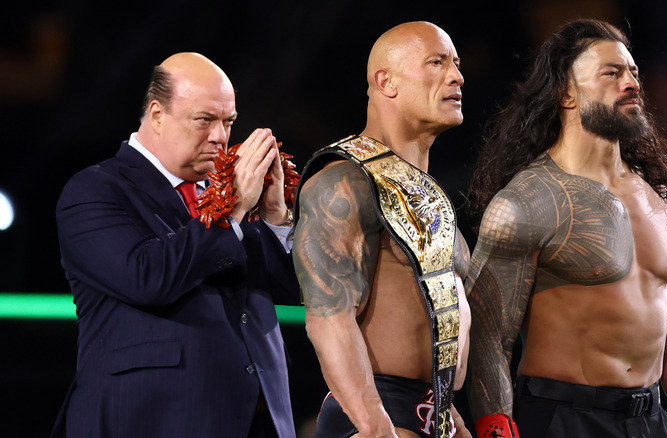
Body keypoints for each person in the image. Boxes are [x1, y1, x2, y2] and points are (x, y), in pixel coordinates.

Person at [466, 19, 667, 438]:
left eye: (634, 72)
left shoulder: (656, 197)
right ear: (565, 93)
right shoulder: (527, 202)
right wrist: (496, 425)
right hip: (564, 419)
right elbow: (487, 336)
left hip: (651, 421)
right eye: (612, 73)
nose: (631, 83)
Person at [52, 52, 300, 437]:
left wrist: (275, 217)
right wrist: (233, 211)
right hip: (152, 420)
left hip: (259, 419)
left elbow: (294, 289)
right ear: (156, 114)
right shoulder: (94, 190)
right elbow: (147, 277)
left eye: (228, 122)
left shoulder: (234, 194)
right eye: (205, 120)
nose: (220, 136)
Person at [292, 22, 472, 438]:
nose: (457, 76)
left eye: (457, 64)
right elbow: (328, 318)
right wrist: (376, 428)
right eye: (437, 62)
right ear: (385, 81)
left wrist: (450, 416)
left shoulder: (426, 195)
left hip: (433, 412)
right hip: (378, 413)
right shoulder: (344, 183)